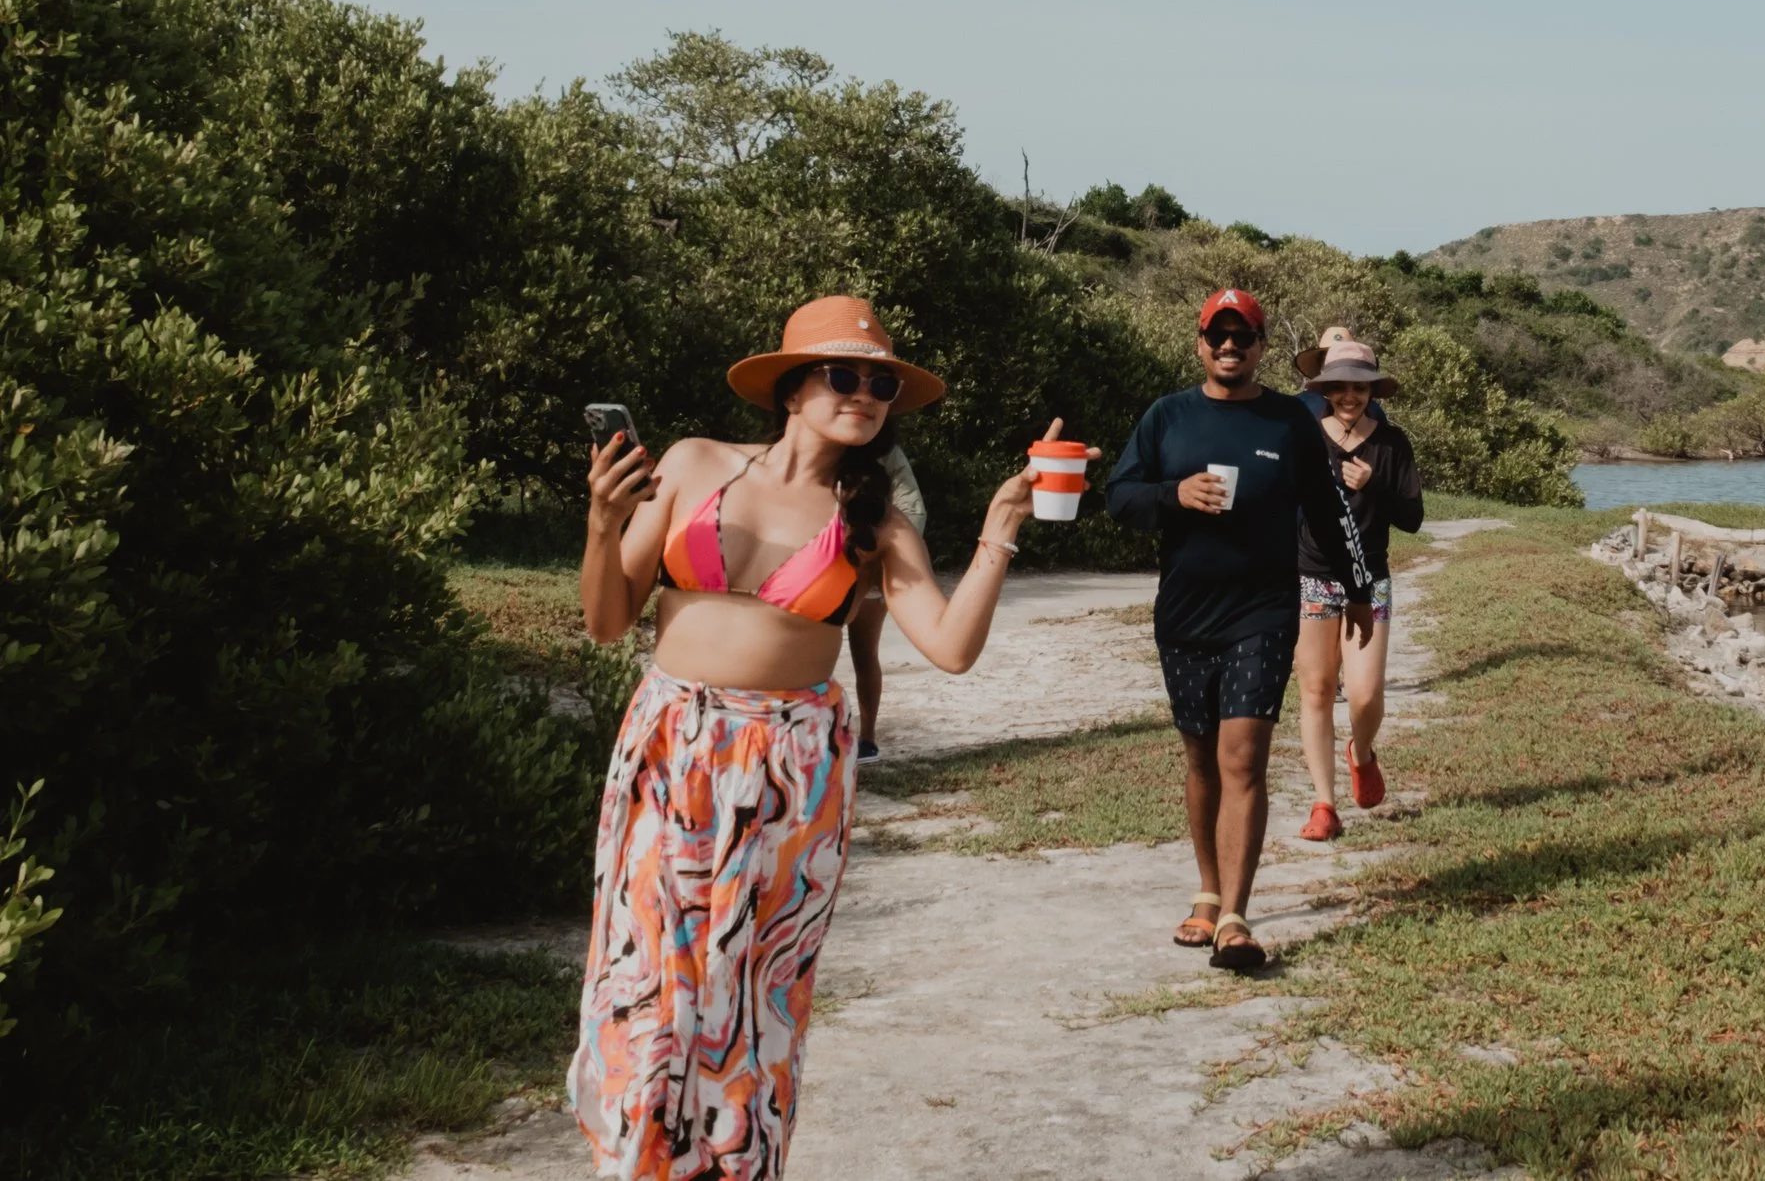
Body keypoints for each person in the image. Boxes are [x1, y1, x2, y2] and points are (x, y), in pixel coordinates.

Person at [572, 295, 1085, 1180]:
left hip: (789, 773)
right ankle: (639, 1162)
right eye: (844, 375)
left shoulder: (876, 523)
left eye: (881, 382)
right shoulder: (694, 464)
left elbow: (952, 648)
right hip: (671, 748)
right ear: (792, 387)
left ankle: (733, 1168)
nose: (865, 394)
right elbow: (609, 621)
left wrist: (1000, 536)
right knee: (649, 981)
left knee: (753, 994)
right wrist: (602, 523)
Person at [1105, 288, 1373, 972]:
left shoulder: (1288, 421)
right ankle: (1206, 889)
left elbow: (1328, 507)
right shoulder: (1168, 417)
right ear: (1200, 343)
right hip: (1186, 613)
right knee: (1201, 761)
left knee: (1242, 759)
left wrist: (1359, 589)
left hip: (1264, 611)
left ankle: (1235, 916)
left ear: (1260, 347)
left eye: (1243, 336)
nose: (1230, 346)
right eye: (1218, 335)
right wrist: (1174, 495)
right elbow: (1117, 497)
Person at [1290, 338, 1423, 840]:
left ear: (1372, 390)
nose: (1350, 396)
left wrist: (1374, 486)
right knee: (1317, 690)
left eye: (1360, 387)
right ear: (1324, 389)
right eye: (1340, 386)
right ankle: (1324, 804)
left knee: (1365, 696)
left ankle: (1360, 752)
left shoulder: (1391, 444)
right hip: (1312, 575)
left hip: (1371, 580)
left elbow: (1412, 517)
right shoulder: (1303, 436)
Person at [845, 445, 927, 764]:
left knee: (863, 653)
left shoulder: (888, 452)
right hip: (825, 561)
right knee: (812, 654)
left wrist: (882, 557)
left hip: (866, 560)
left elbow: (913, 508)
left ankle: (867, 737)